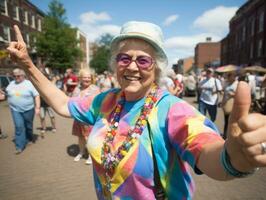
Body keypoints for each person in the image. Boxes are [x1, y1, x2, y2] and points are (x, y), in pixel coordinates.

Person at [7, 22, 266, 199]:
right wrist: (29, 66)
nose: (132, 66)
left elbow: (208, 152)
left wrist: (233, 158)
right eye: (124, 58)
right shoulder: (105, 101)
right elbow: (63, 104)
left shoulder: (173, 110)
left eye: (143, 60)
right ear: (116, 64)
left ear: (157, 68)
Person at [5, 68, 40, 154]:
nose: (16, 77)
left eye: (18, 76)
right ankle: (19, 146)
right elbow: (7, 94)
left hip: (28, 109)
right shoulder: (11, 83)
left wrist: (37, 108)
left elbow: (36, 95)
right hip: (15, 109)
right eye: (14, 76)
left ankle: (29, 137)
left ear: (23, 76)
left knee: (28, 126)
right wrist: (3, 95)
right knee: (19, 126)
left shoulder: (29, 84)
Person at [72, 69, 100, 165]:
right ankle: (81, 152)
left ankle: (90, 155)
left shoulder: (95, 89)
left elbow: (99, 104)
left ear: (91, 78)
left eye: (89, 77)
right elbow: (73, 101)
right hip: (79, 118)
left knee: (89, 138)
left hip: (90, 118)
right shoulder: (77, 89)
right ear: (80, 78)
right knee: (80, 137)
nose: (87, 79)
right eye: (85, 77)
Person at [221, 72, 238, 139]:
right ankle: (225, 135)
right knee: (226, 120)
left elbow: (239, 94)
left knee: (232, 120)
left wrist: (233, 95)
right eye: (228, 77)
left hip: (233, 104)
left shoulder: (237, 84)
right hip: (226, 103)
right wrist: (222, 102)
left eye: (229, 77)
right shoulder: (227, 84)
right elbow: (224, 93)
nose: (228, 78)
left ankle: (232, 135)